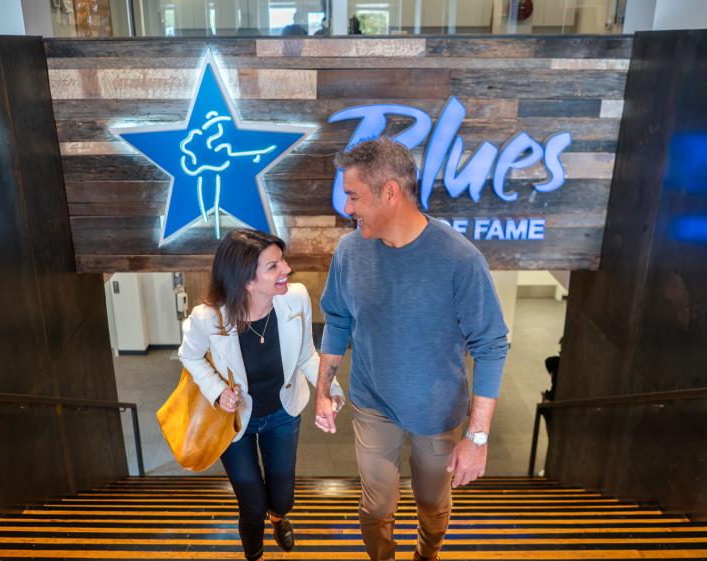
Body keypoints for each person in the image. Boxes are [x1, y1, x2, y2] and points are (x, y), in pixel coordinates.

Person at [313, 138, 509, 561]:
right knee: (376, 506)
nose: (347, 207)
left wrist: (477, 437)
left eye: (353, 196)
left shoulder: (460, 259)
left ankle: (427, 553)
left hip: (437, 412)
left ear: (390, 193)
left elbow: (491, 346)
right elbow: (339, 318)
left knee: (433, 505)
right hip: (371, 402)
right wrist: (323, 390)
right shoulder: (349, 251)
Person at [179, 229, 345, 561]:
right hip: (235, 421)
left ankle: (280, 517)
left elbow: (305, 356)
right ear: (246, 281)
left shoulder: (294, 298)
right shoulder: (208, 318)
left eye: (282, 260)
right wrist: (216, 391)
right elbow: (190, 356)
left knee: (282, 496)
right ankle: (254, 554)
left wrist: (329, 393)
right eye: (273, 266)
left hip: (283, 414)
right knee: (251, 503)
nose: (286, 269)